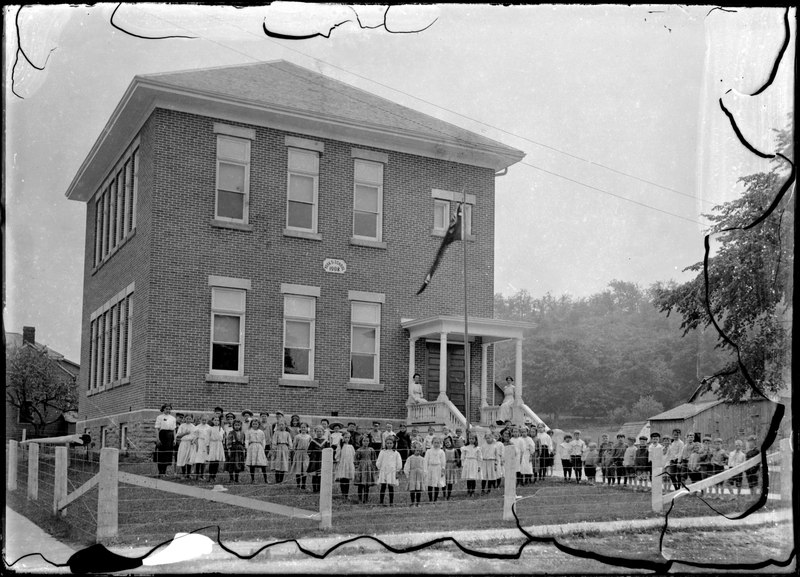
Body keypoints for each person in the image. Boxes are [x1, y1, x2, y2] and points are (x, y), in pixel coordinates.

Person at [376, 437, 402, 506]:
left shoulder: (396, 453)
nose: (389, 445)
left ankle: (391, 502)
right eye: (387, 443)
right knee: (383, 487)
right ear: (385, 444)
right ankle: (381, 502)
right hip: (384, 470)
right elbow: (379, 461)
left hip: (392, 471)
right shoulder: (382, 452)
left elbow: (399, 463)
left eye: (391, 443)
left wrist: (397, 471)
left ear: (394, 444)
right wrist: (379, 469)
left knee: (391, 487)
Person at [154, 403, 176, 477]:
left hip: (170, 437)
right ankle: (160, 472)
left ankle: (165, 472)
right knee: (161, 454)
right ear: (163, 409)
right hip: (162, 435)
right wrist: (158, 439)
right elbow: (157, 428)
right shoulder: (159, 417)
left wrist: (174, 439)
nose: (168, 410)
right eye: (166, 409)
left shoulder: (173, 418)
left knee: (168, 454)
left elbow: (174, 430)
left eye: (169, 409)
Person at [354, 435, 377, 504]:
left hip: (369, 467)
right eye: (364, 441)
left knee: (367, 484)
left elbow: (374, 459)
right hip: (361, 467)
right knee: (360, 484)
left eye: (367, 441)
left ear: (369, 442)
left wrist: (373, 467)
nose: (365, 442)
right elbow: (356, 459)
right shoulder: (359, 450)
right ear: (361, 442)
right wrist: (356, 467)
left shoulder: (371, 450)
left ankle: (366, 499)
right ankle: (360, 498)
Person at [245, 418, 268, 484]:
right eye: (253, 424)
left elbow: (263, 440)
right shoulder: (249, 431)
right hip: (252, 447)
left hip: (259, 447)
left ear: (258, 425)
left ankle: (265, 479)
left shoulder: (261, 432)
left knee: (263, 464)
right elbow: (247, 439)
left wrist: (263, 447)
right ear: (251, 424)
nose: (255, 425)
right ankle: (252, 479)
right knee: (252, 464)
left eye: (256, 424)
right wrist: (247, 447)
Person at [307, 426, 329, 493]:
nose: (319, 433)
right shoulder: (313, 441)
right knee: (314, 475)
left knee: (321, 475)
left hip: (322, 459)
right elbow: (309, 451)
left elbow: (328, 451)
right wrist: (313, 455)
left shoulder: (326, 441)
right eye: (317, 431)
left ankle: (320, 489)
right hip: (314, 459)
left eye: (320, 431)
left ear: (323, 432)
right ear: (315, 432)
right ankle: (314, 489)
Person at [290, 423, 312, 490]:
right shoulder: (297, 436)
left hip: (305, 454)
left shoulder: (309, 437)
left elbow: (310, 445)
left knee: (304, 469)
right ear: (300, 428)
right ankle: (298, 484)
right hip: (299, 453)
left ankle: (303, 485)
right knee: (298, 469)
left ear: (307, 428)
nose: (303, 429)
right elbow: (294, 446)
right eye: (302, 427)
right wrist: (296, 452)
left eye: (304, 427)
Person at [424, 437, 446, 502]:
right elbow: (425, 461)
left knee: (437, 484)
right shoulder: (429, 451)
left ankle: (435, 499)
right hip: (430, 468)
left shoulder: (441, 452)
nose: (436, 444)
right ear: (432, 443)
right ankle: (430, 498)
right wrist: (425, 470)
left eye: (438, 443)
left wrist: (443, 470)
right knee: (430, 484)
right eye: (435, 443)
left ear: (440, 443)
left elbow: (443, 462)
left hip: (438, 469)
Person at [334, 430, 356, 500]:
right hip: (342, 463)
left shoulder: (351, 446)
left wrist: (353, 463)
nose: (347, 439)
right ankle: (343, 493)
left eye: (348, 438)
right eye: (345, 437)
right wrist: (338, 461)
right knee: (342, 478)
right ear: (343, 438)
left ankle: (346, 494)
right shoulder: (340, 445)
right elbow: (337, 454)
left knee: (347, 479)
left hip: (348, 464)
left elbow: (353, 455)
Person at [404, 442, 426, 506]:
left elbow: (424, 468)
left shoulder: (422, 459)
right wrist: (407, 474)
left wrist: (424, 474)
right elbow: (406, 467)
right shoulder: (410, 458)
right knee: (412, 489)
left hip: (419, 476)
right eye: (416, 450)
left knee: (418, 489)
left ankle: (418, 503)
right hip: (412, 475)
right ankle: (413, 502)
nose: (418, 452)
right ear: (413, 450)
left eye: (419, 450)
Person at [176, 414, 197, 479]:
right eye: (187, 418)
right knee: (183, 457)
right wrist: (185, 433)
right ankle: (183, 474)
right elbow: (178, 436)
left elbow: (195, 435)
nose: (188, 420)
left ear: (192, 419)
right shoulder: (182, 426)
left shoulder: (193, 426)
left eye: (190, 419)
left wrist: (193, 441)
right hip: (184, 443)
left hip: (190, 443)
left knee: (189, 458)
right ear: (185, 419)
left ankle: (188, 474)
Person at [207, 415, 226, 483]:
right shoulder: (210, 429)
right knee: (212, 461)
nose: (216, 421)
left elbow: (223, 437)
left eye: (217, 420)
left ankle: (214, 476)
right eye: (215, 420)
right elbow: (208, 438)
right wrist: (208, 446)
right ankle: (210, 476)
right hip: (212, 444)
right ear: (212, 421)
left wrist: (223, 443)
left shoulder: (221, 429)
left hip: (219, 445)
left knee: (216, 461)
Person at [193, 414, 211, 481]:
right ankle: (197, 475)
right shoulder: (197, 427)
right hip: (199, 443)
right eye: (202, 420)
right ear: (200, 420)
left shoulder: (209, 427)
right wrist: (196, 444)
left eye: (205, 420)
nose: (204, 421)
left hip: (206, 443)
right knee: (198, 459)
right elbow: (195, 436)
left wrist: (208, 445)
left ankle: (202, 474)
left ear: (207, 420)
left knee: (204, 459)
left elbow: (209, 436)